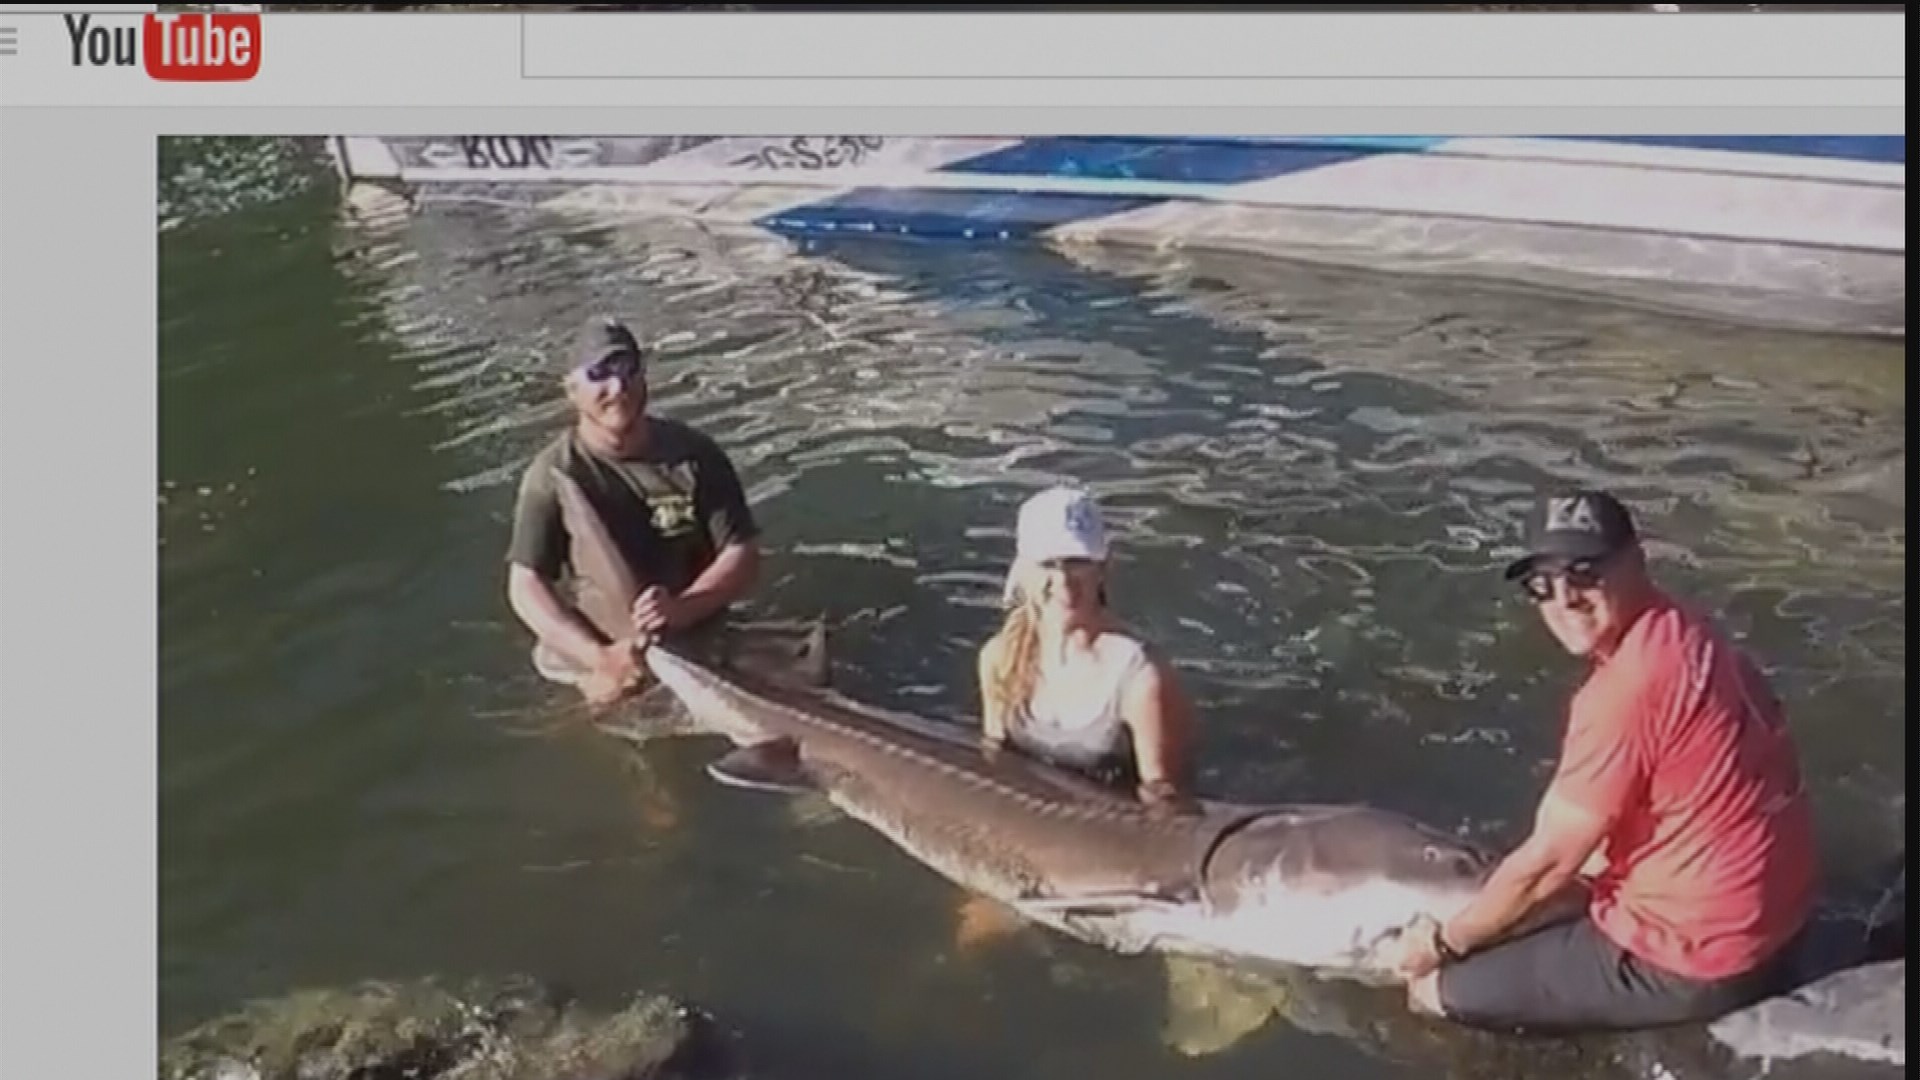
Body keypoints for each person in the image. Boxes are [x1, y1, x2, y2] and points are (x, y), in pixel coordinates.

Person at [1393, 489, 1820, 1034]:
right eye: (1540, 584)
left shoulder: (1623, 693)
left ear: (1636, 562)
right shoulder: (1685, 629)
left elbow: (1550, 861)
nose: (1564, 598)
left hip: (1698, 957)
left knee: (1430, 991)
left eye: (1585, 572)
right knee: (1549, 887)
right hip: (1778, 916)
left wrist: (1441, 943)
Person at [506, 316, 761, 707]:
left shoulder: (695, 455)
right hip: (606, 646)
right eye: (599, 374)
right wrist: (598, 657)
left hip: (694, 629)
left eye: (629, 370)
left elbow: (740, 553)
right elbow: (526, 585)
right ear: (572, 389)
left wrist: (683, 609)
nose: (618, 387)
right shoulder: (552, 475)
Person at [976, 485, 1196, 806]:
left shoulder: (1142, 680)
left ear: (1103, 568)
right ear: (1022, 571)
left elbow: (1169, 809)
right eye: (1047, 564)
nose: (1063, 581)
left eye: (1077, 562)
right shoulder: (999, 658)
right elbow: (993, 766)